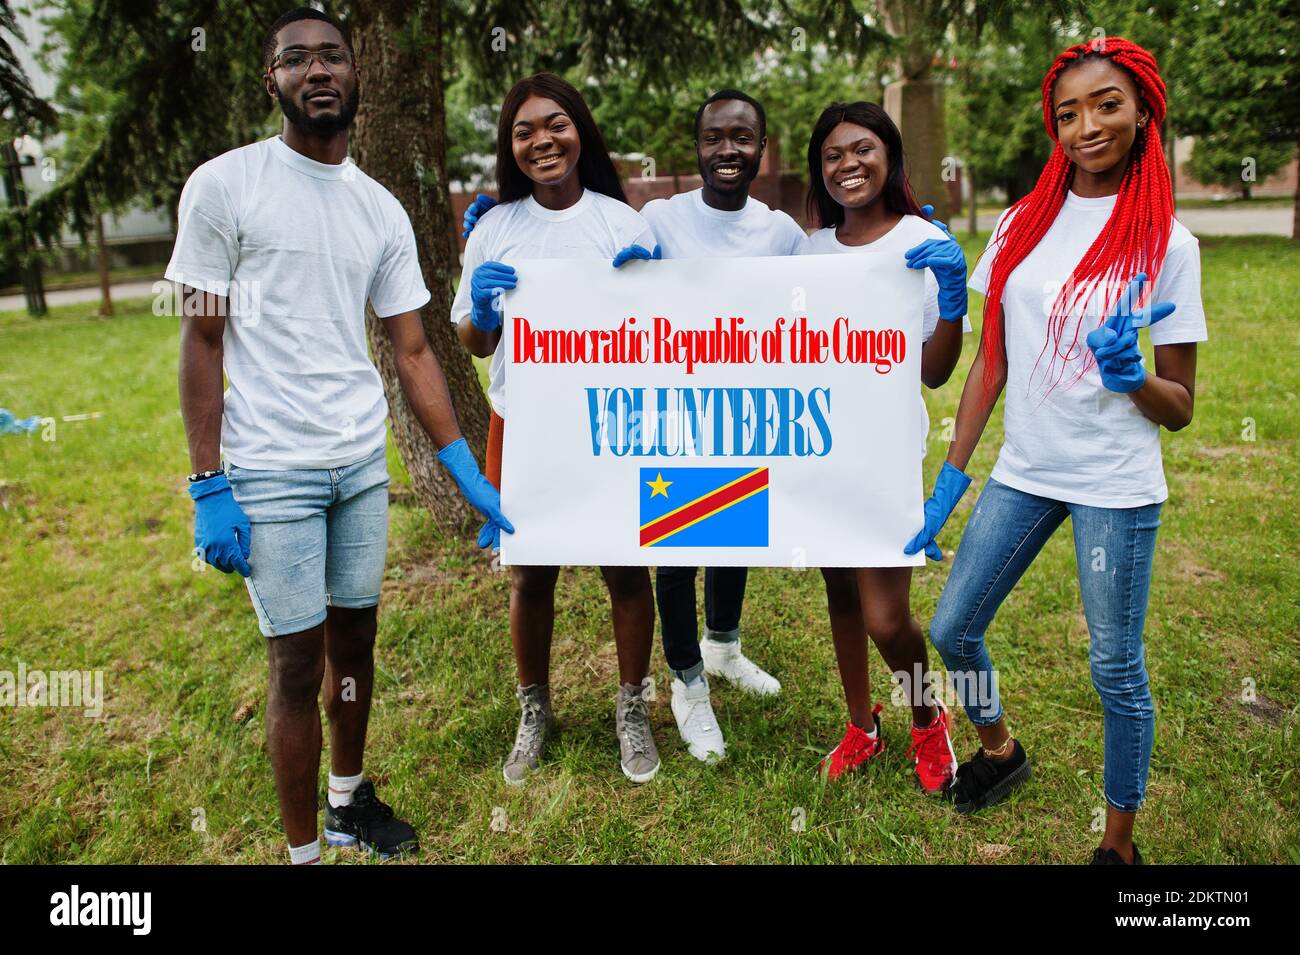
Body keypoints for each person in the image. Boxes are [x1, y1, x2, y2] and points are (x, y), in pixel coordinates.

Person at [169, 7, 510, 864]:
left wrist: (462, 466)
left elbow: (412, 347)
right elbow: (198, 339)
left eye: (331, 56)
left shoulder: (381, 209)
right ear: (271, 80)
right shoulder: (222, 185)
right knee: (294, 665)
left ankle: (348, 802)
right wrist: (208, 483)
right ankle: (302, 854)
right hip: (270, 468)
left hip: (359, 462)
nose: (316, 70)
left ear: (356, 75)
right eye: (296, 59)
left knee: (356, 639)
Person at [912, 39, 1205, 864]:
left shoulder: (1166, 243)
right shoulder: (1020, 225)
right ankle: (1000, 751)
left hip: (1115, 482)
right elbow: (991, 363)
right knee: (952, 627)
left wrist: (1132, 378)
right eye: (1069, 111)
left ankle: (1119, 845)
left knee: (1115, 670)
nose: (1087, 125)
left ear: (1142, 109)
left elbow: (1179, 407)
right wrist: (952, 475)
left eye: (1107, 104)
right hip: (1026, 472)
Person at [452, 73, 663, 786]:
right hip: (526, 424)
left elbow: (667, 335)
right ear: (510, 147)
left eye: (556, 124)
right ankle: (534, 707)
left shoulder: (623, 222)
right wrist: (480, 314)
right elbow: (474, 344)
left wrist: (651, 287)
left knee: (627, 569)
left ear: (580, 131)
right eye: (523, 131)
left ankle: (632, 705)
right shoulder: (494, 227)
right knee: (530, 571)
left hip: (612, 424)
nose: (542, 139)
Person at [801, 102, 968, 792]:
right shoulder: (808, 251)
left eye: (862, 149)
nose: (848, 164)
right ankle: (861, 725)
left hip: (885, 455)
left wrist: (953, 296)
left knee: (887, 616)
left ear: (889, 156)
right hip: (817, 451)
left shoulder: (920, 241)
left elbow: (933, 370)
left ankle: (927, 716)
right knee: (840, 589)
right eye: (834, 154)